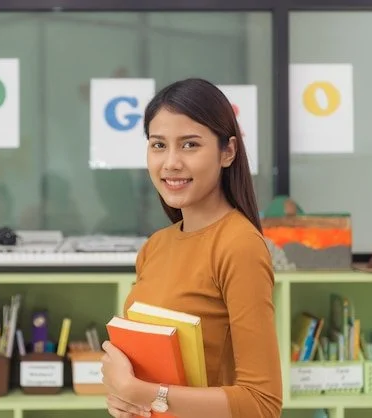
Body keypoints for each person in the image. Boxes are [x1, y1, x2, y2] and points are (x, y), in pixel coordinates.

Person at [100, 78, 282, 418]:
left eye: (189, 145)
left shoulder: (239, 246)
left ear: (227, 151)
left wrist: (140, 392)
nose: (170, 162)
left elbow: (262, 403)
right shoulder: (155, 246)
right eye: (158, 145)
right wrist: (126, 402)